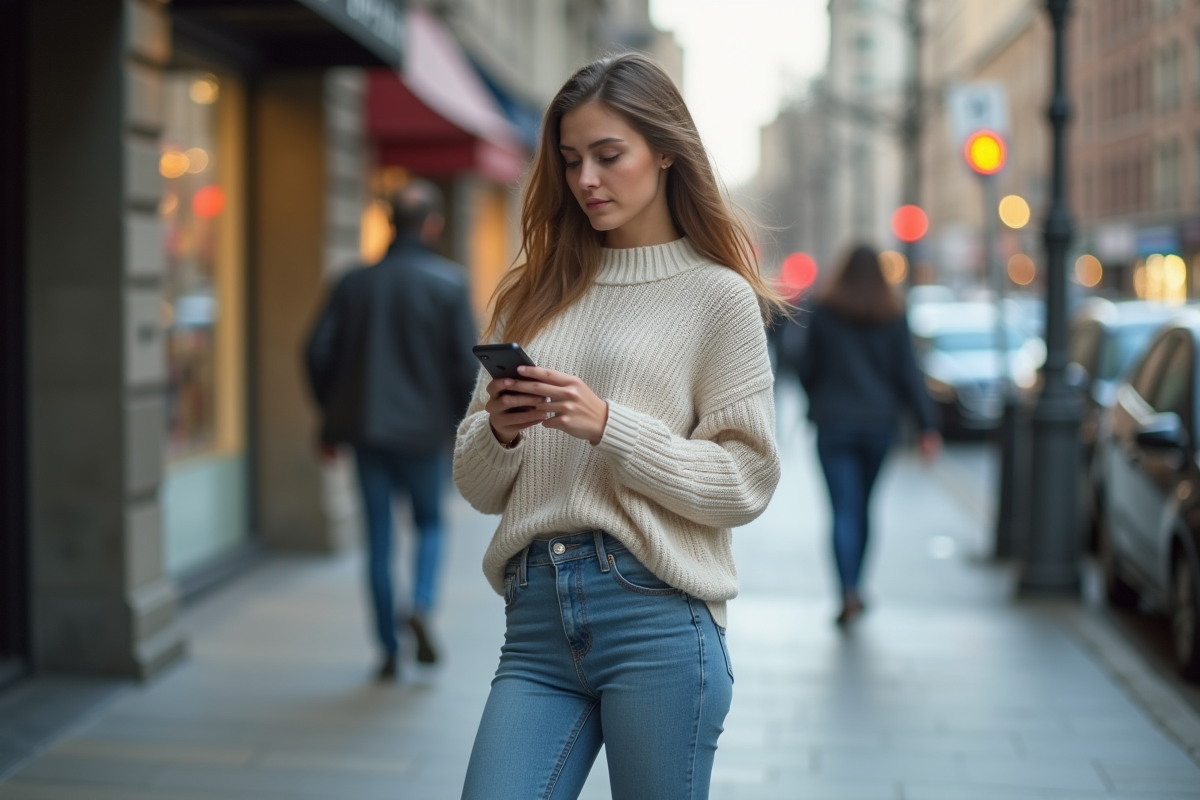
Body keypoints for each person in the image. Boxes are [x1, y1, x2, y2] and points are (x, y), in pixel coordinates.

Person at [452, 53, 784, 799]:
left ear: (665, 152)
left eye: (609, 156)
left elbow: (746, 480)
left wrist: (609, 426)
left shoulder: (717, 297)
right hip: (536, 620)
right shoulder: (535, 292)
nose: (586, 181)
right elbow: (474, 484)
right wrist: (501, 432)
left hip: (655, 619)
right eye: (571, 161)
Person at [304, 178, 478, 680]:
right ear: (433, 224)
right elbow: (464, 368)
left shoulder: (352, 282)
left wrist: (331, 419)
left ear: (387, 223)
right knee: (429, 525)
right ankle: (421, 604)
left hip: (366, 432)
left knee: (378, 539)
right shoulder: (449, 283)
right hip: (424, 435)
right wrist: (459, 425)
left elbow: (316, 353)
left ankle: (386, 648)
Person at [795, 244, 941, 626]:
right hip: (879, 425)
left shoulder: (825, 312)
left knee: (842, 509)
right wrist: (927, 426)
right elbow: (909, 372)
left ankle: (846, 590)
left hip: (834, 423)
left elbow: (805, 366)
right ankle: (857, 587)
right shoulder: (891, 314)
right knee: (863, 508)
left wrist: (819, 399)